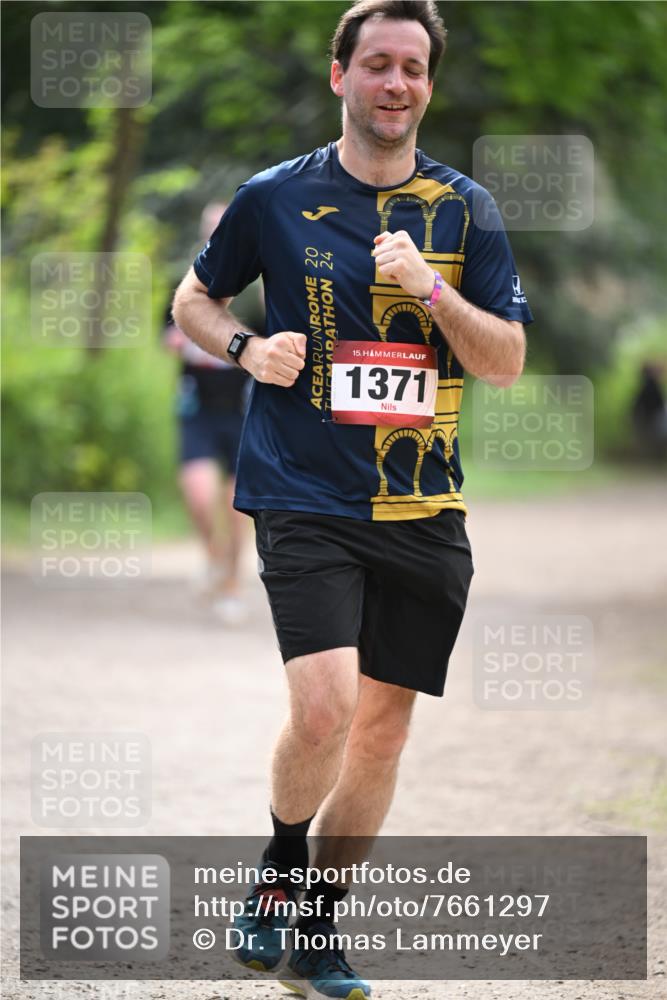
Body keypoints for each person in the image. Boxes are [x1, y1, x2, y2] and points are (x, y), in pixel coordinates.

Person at [173, 1, 532, 995]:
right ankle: (281, 873)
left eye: (412, 68)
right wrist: (247, 347)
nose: (395, 84)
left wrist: (430, 291)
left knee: (382, 730)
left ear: (428, 84)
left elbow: (504, 362)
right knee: (326, 710)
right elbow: (191, 301)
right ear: (340, 76)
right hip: (302, 493)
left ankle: (317, 934)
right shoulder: (273, 199)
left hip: (423, 510)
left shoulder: (466, 213)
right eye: (376, 63)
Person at [164, 202, 261, 623]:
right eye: (210, 228)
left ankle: (232, 584)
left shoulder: (258, 289)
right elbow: (165, 329)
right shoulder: (184, 283)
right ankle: (213, 554)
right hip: (197, 409)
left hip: (243, 411)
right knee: (201, 496)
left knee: (236, 506)